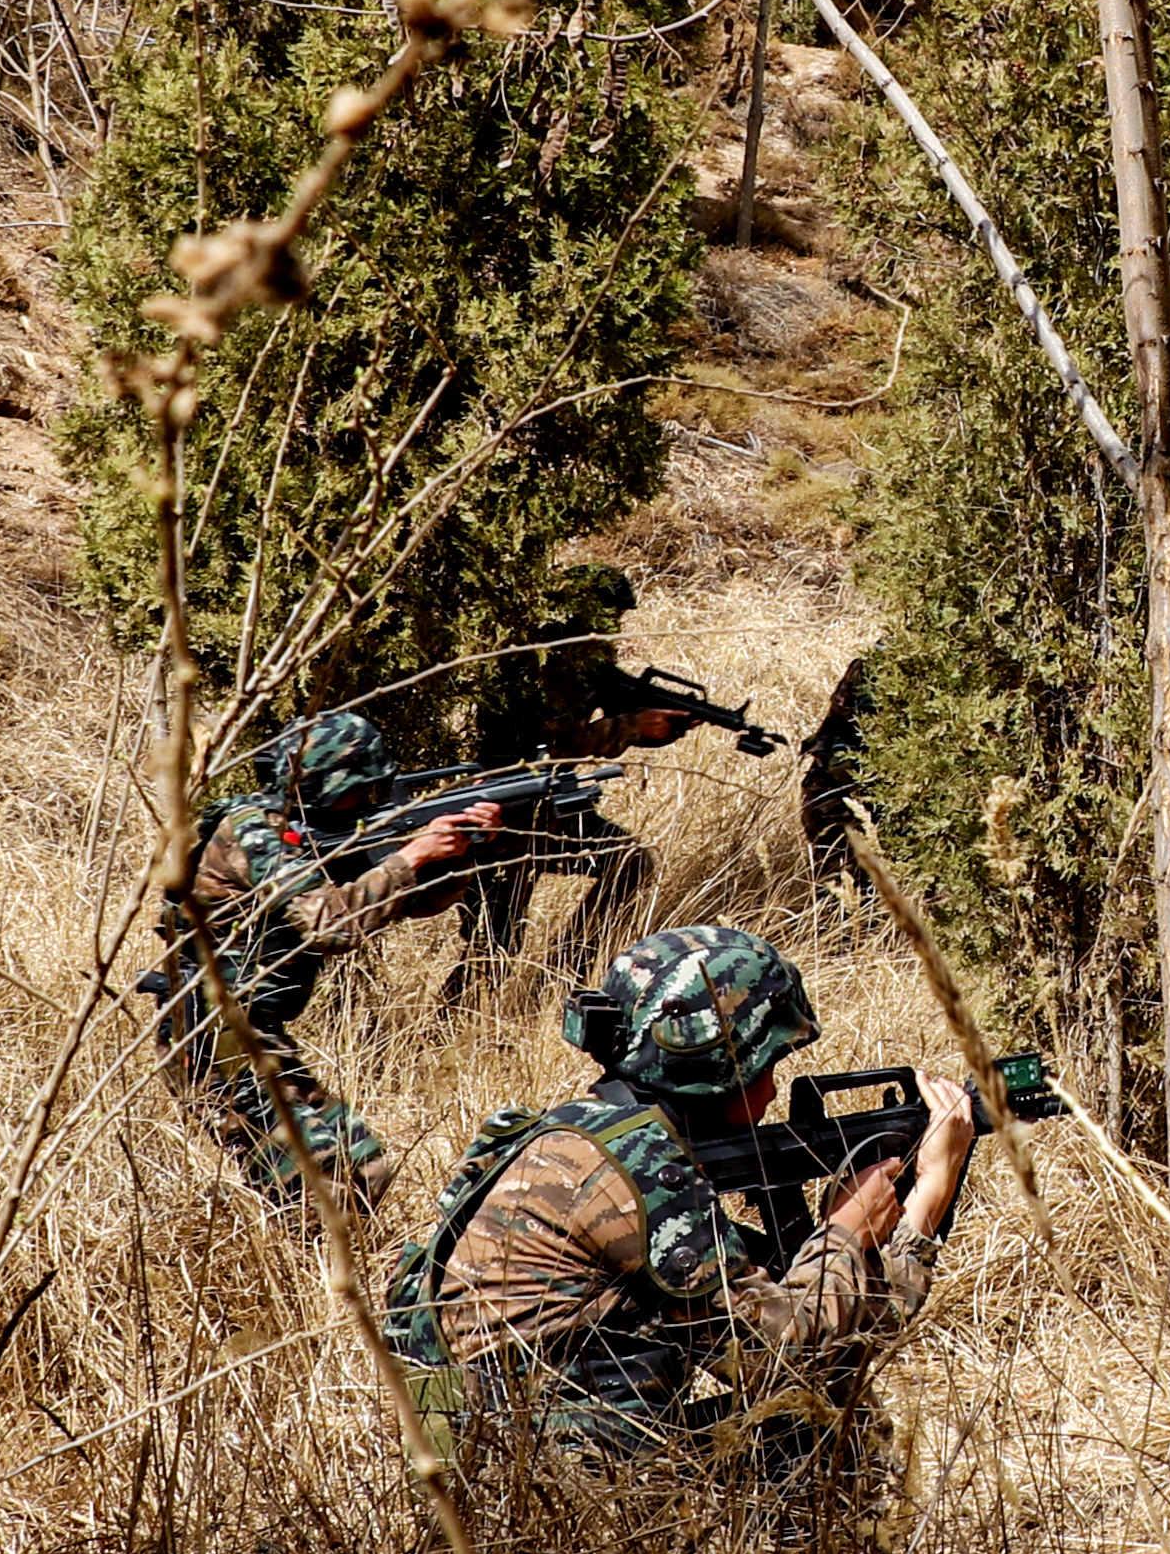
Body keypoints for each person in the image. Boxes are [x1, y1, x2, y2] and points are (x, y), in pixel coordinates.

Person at [385, 925, 977, 1469]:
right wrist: (896, 1213)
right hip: (556, 1492)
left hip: (479, 1454)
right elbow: (787, 1357)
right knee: (826, 1424)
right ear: (719, 1064)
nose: (773, 1088)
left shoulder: (580, 1134)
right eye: (764, 1064)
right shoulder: (646, 1178)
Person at [148, 708, 504, 1197]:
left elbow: (412, 903)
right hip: (212, 1035)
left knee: (365, 1170)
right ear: (322, 786)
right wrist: (414, 853)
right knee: (321, 1184)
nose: (369, 801)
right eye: (360, 790)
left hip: (255, 1029)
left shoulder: (316, 834)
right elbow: (331, 926)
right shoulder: (256, 834)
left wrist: (461, 852)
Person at [439, 564, 700, 970]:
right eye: (605, 616)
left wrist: (663, 727)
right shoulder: (532, 666)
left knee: (627, 862)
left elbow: (607, 726)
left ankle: (565, 971)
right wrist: (631, 726)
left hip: (551, 813)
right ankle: (449, 1030)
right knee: (493, 945)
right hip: (501, 818)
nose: (611, 628)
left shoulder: (584, 669)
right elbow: (556, 745)